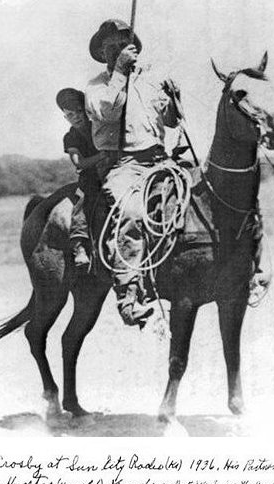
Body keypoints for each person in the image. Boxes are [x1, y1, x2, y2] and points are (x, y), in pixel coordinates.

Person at [85, 19, 184, 326]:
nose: (117, 51)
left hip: (161, 160)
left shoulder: (152, 78)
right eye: (110, 47)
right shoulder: (97, 86)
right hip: (123, 164)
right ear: (103, 54)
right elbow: (109, 111)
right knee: (130, 212)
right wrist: (120, 74)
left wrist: (175, 99)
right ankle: (129, 296)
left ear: (134, 49)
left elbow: (170, 122)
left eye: (123, 45)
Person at [56, 88, 108, 268]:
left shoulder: (100, 127)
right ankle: (79, 244)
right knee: (83, 200)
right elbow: (79, 163)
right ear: (66, 117)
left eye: (79, 111)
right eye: (71, 114)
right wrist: (102, 156)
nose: (76, 117)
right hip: (91, 176)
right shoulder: (71, 137)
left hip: (110, 171)